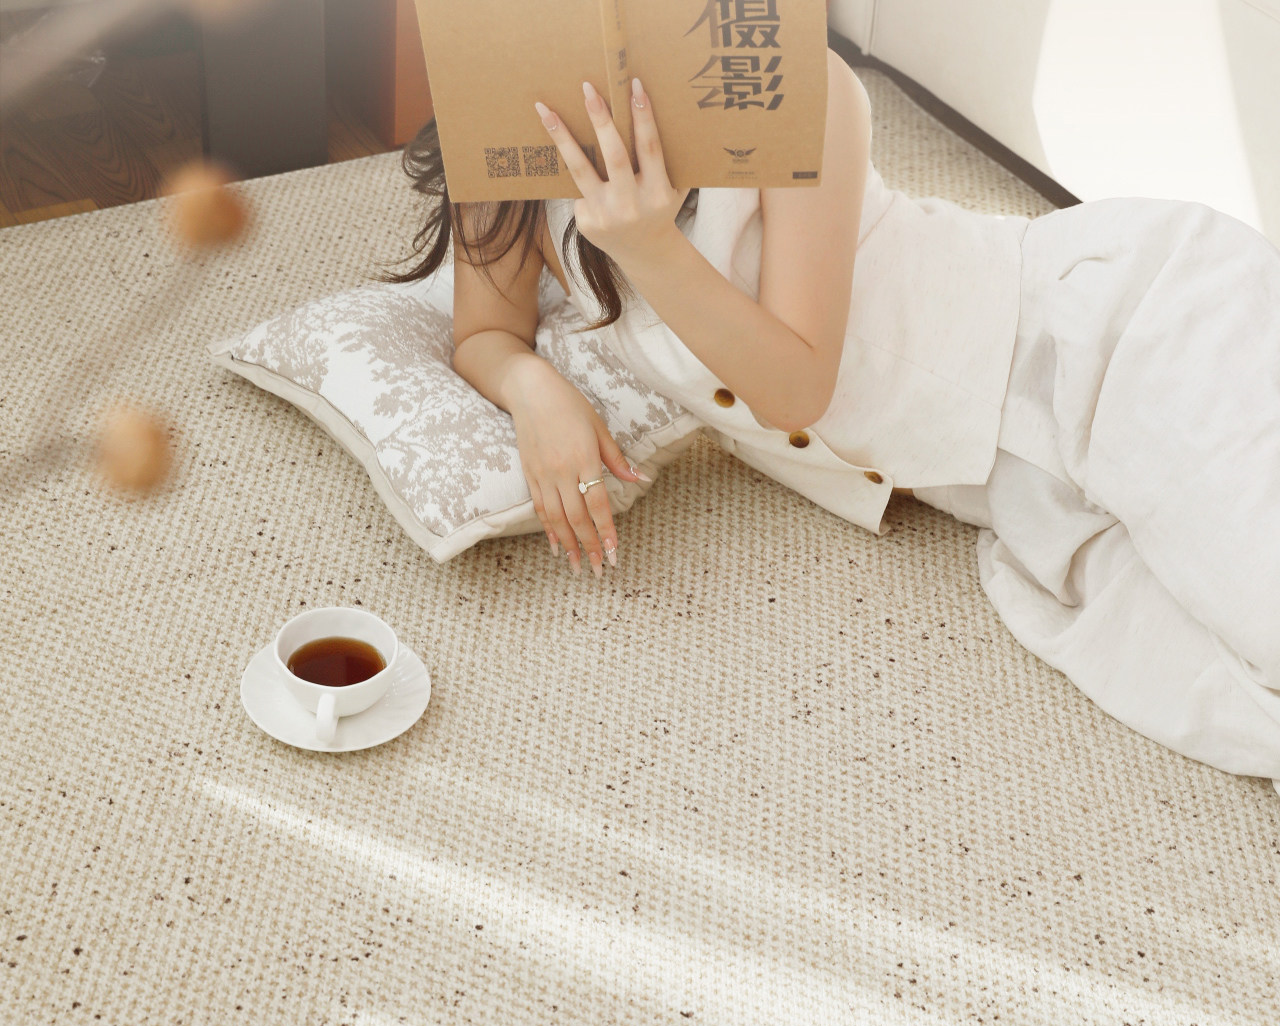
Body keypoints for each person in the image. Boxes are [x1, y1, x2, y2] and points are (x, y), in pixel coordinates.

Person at [387, 49, 1280, 785]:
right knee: (1240, 708)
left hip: (1111, 332)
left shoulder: (799, 90)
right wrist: (534, 387)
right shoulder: (509, 136)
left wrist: (647, 246)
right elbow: (485, 332)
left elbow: (794, 386)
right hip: (1019, 497)